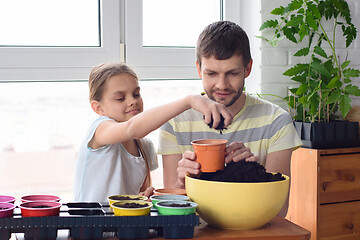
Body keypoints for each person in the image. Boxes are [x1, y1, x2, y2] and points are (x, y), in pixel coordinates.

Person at [157, 21, 302, 217]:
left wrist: (251, 170)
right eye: (211, 73)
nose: (222, 85)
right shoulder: (175, 123)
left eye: (232, 73)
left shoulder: (276, 122)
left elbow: (277, 212)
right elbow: (172, 208)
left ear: (248, 69)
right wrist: (184, 181)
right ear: (199, 69)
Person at [74, 62, 233, 202]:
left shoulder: (144, 146)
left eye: (136, 94)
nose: (133, 101)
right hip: (90, 226)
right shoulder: (100, 129)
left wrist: (145, 197)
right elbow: (133, 129)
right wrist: (190, 101)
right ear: (98, 108)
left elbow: (136, 197)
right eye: (120, 98)